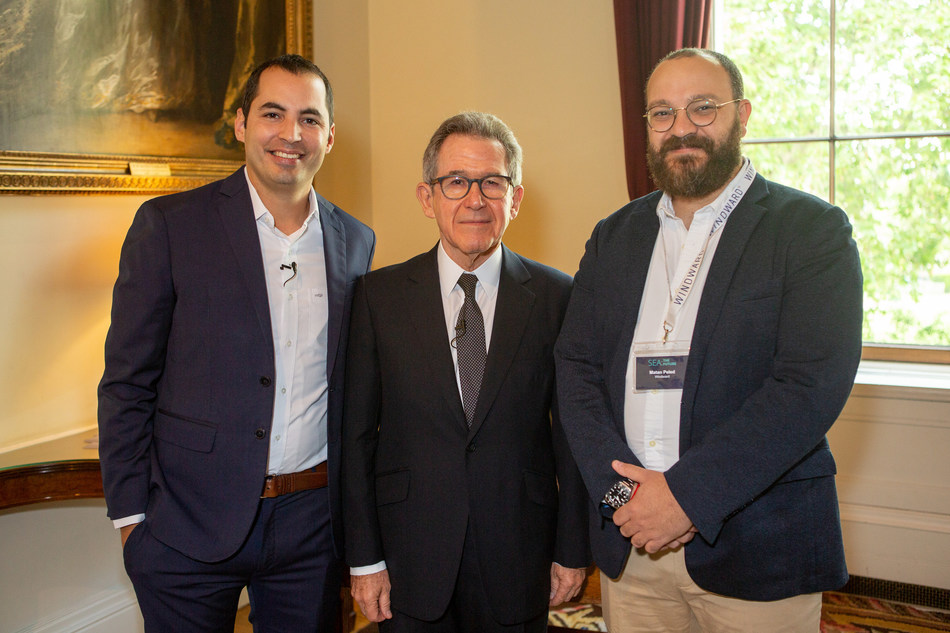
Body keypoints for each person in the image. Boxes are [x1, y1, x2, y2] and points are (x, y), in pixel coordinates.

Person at [554, 48, 863, 633]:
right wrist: (625, 499)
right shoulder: (614, 236)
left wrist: (685, 498)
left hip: (756, 544)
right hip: (634, 547)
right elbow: (575, 368)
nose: (681, 129)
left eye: (703, 108)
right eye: (662, 114)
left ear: (742, 115)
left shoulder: (811, 231)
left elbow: (808, 386)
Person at [97, 54, 375, 632]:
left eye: (309, 118)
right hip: (185, 526)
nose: (291, 134)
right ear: (243, 123)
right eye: (273, 113)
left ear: (330, 136)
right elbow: (127, 381)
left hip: (311, 526)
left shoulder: (357, 242)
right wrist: (132, 522)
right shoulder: (170, 225)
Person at [342, 111, 590, 632]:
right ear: (427, 197)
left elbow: (573, 435)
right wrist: (364, 559)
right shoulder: (376, 298)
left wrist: (572, 549)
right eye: (455, 182)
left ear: (515, 199)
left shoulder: (558, 297)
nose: (474, 199)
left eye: (492, 183)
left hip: (520, 555)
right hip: (409, 557)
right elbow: (356, 439)